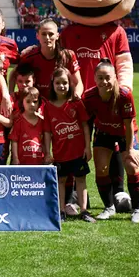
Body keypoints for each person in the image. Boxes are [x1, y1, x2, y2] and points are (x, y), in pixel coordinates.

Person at [47, 0, 139, 210]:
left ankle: (119, 191)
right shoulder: (67, 33)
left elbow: (124, 63)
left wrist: (123, 89)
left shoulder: (116, 31)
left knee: (113, 143)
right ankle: (70, 195)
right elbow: (61, 65)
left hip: (106, 98)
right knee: (73, 143)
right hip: (78, 99)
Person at [84, 60, 139, 223]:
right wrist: (87, 147)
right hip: (103, 133)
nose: (104, 82)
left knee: (132, 166)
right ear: (95, 79)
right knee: (101, 169)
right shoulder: (89, 97)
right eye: (100, 78)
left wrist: (130, 149)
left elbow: (129, 124)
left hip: (125, 134)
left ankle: (137, 210)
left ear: (115, 77)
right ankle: (109, 207)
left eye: (107, 77)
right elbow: (86, 123)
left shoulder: (124, 95)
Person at [43, 68, 95, 223]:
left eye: (65, 82)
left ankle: (84, 210)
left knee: (81, 179)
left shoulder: (76, 103)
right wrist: (47, 152)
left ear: (70, 84)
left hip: (78, 151)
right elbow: (47, 132)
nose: (61, 86)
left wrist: (88, 146)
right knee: (61, 181)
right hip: (60, 153)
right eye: (58, 83)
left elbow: (85, 126)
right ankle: (61, 211)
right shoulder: (48, 107)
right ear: (52, 85)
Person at [13, 19, 82, 99]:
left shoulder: (68, 56)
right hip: (38, 105)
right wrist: (9, 94)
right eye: (44, 34)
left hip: (62, 103)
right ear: (37, 36)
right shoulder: (29, 56)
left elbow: (77, 82)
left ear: (57, 36)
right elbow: (13, 74)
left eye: (51, 34)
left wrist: (77, 95)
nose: (47, 38)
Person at [9, 87, 45, 165]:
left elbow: (44, 142)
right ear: (22, 102)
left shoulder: (42, 122)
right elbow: (14, 141)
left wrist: (46, 156)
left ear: (39, 103)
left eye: (35, 102)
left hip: (38, 164)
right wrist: (15, 158)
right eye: (28, 101)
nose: (32, 104)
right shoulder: (19, 121)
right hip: (22, 164)